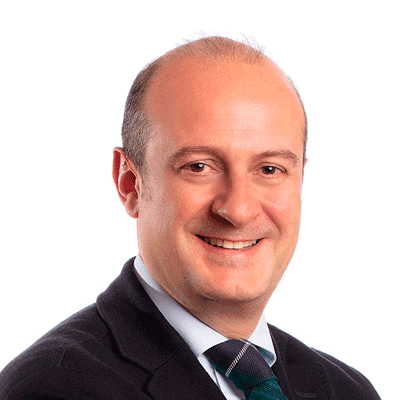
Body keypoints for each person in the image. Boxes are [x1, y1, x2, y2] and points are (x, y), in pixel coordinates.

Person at [0, 36, 380, 400]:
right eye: (199, 166)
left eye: (269, 169)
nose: (238, 210)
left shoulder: (346, 391)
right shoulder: (54, 388)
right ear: (130, 183)